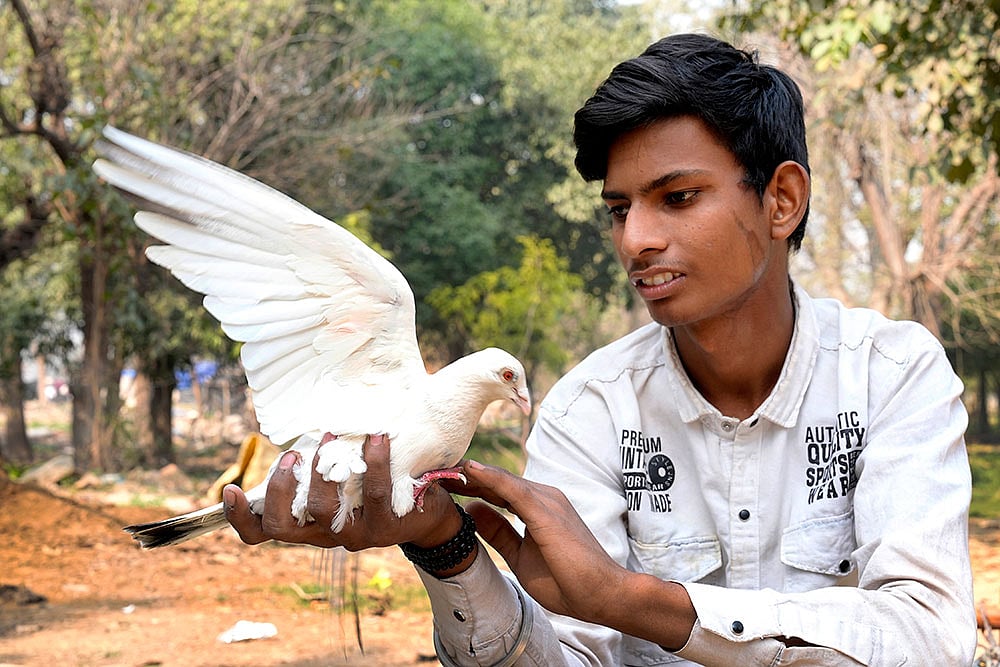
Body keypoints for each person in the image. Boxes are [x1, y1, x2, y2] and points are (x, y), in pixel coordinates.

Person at [223, 33, 977, 665]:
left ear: (781, 200)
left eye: (677, 198)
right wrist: (447, 545)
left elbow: (931, 639)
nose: (637, 239)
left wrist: (634, 600)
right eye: (620, 208)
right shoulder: (590, 411)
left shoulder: (892, 375)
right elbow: (565, 655)